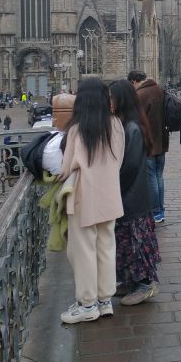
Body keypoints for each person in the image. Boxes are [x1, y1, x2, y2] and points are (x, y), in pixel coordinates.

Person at [58, 77, 126, 324]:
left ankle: (87, 304)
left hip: (84, 196)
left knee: (84, 250)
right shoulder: (116, 125)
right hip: (110, 195)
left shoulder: (77, 129)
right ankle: (105, 300)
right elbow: (118, 161)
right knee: (107, 247)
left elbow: (65, 169)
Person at [110, 80, 161, 306]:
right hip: (134, 197)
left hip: (133, 198)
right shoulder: (128, 124)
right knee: (127, 243)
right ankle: (131, 281)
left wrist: (113, 183)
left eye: (112, 98)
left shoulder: (131, 127)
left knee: (136, 243)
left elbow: (129, 166)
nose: (109, 103)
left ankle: (144, 284)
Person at [127, 70, 169, 224]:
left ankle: (156, 211)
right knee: (159, 176)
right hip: (162, 141)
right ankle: (161, 210)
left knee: (151, 177)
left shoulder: (140, 95)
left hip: (149, 143)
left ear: (134, 81)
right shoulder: (159, 89)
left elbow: (135, 119)